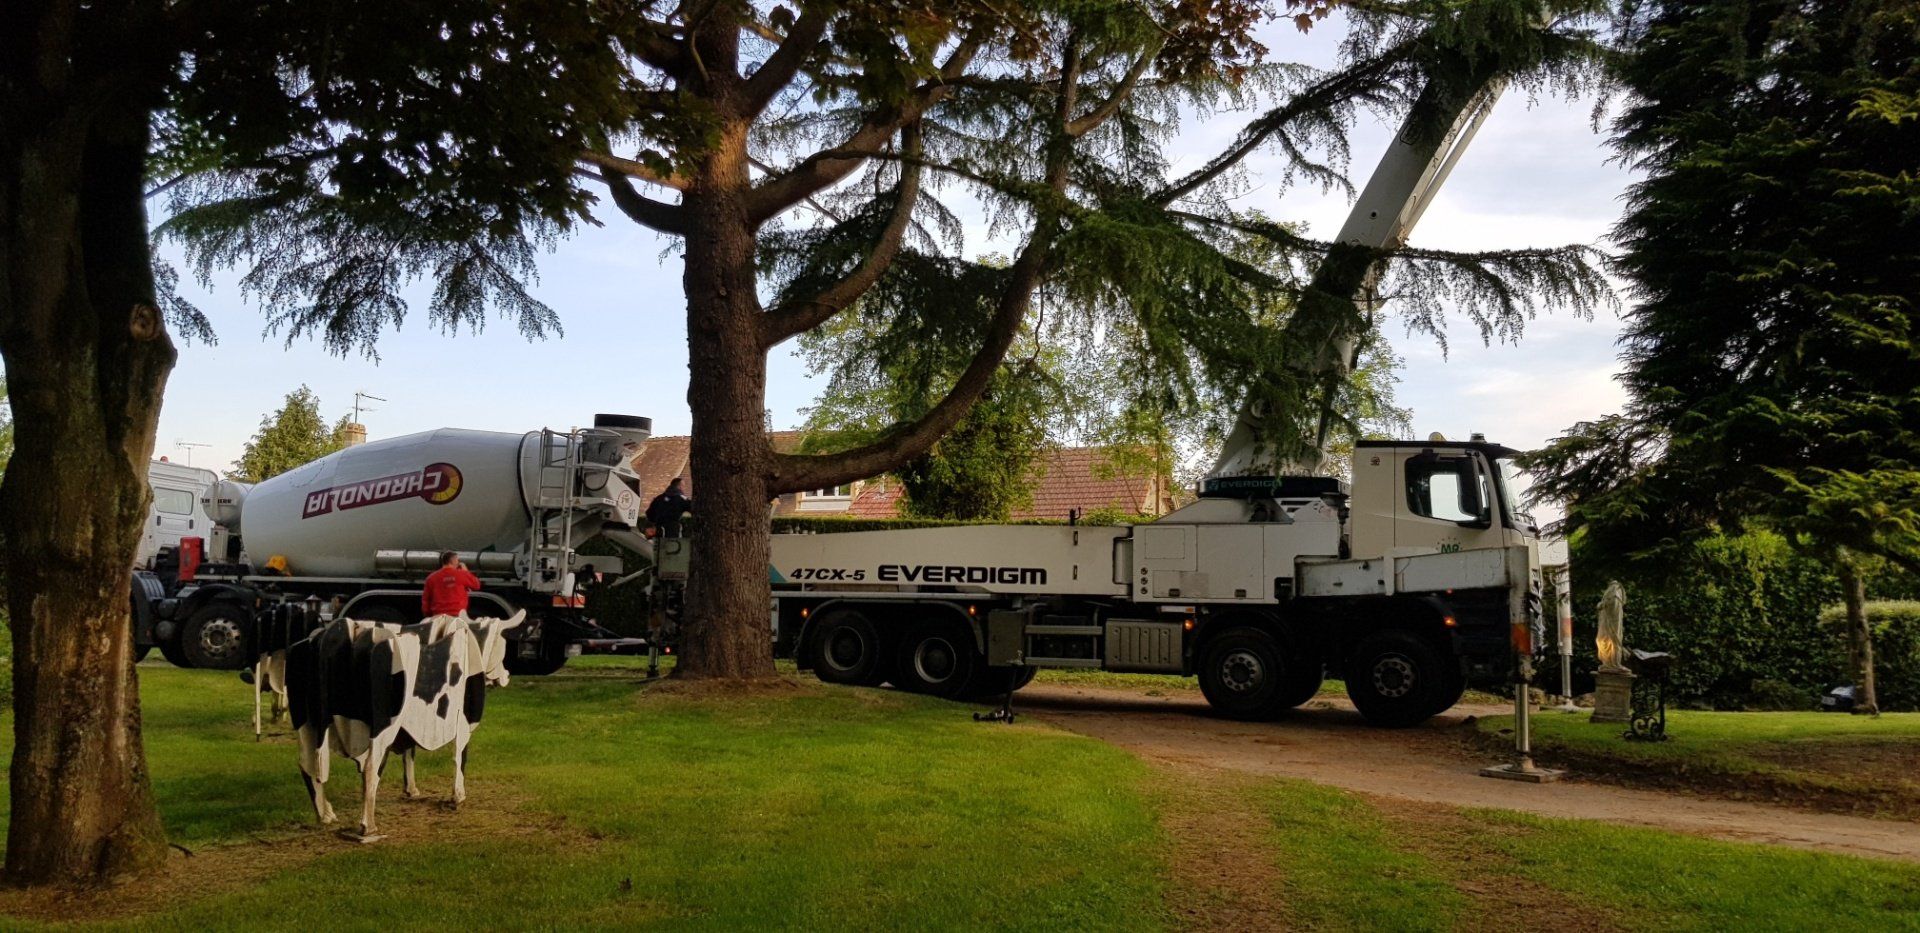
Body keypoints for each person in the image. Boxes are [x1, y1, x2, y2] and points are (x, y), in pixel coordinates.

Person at [422, 551, 481, 618]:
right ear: (453, 561)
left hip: (438, 616)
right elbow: (476, 585)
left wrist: (428, 615)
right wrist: (466, 571)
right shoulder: (462, 574)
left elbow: (426, 600)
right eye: (458, 560)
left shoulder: (431, 578)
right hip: (457, 615)